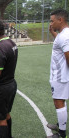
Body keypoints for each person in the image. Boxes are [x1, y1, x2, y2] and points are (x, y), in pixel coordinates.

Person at [46, 9, 69, 138]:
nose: (51, 23)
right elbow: (59, 43)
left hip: (60, 75)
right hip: (59, 74)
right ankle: (61, 125)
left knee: (59, 102)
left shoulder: (65, 36)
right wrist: (53, 32)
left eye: (52, 21)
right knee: (60, 101)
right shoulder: (62, 34)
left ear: (60, 20)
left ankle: (61, 133)